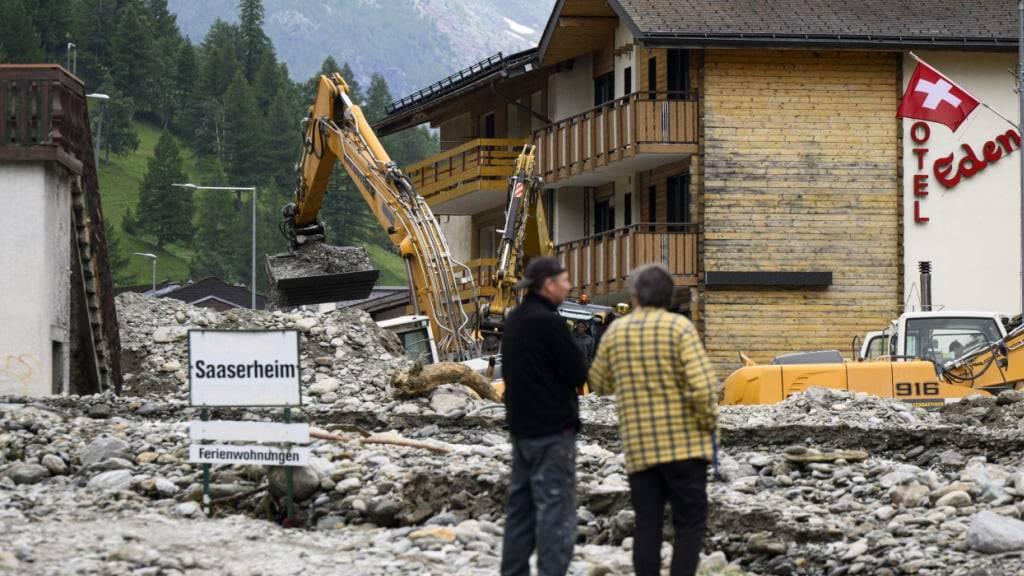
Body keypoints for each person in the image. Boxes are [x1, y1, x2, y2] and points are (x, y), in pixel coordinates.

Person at [588, 264, 719, 576]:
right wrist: (709, 425)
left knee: (647, 524)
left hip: (641, 449)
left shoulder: (616, 333)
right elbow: (703, 387)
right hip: (686, 447)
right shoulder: (680, 328)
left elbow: (599, 383)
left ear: (635, 297)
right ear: (669, 296)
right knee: (689, 523)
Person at [500, 256, 588, 576]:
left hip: (521, 430)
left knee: (520, 510)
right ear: (548, 284)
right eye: (564, 280)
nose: (569, 286)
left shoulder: (515, 320)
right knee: (555, 510)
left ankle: (513, 571)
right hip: (553, 431)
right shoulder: (549, 323)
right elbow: (577, 372)